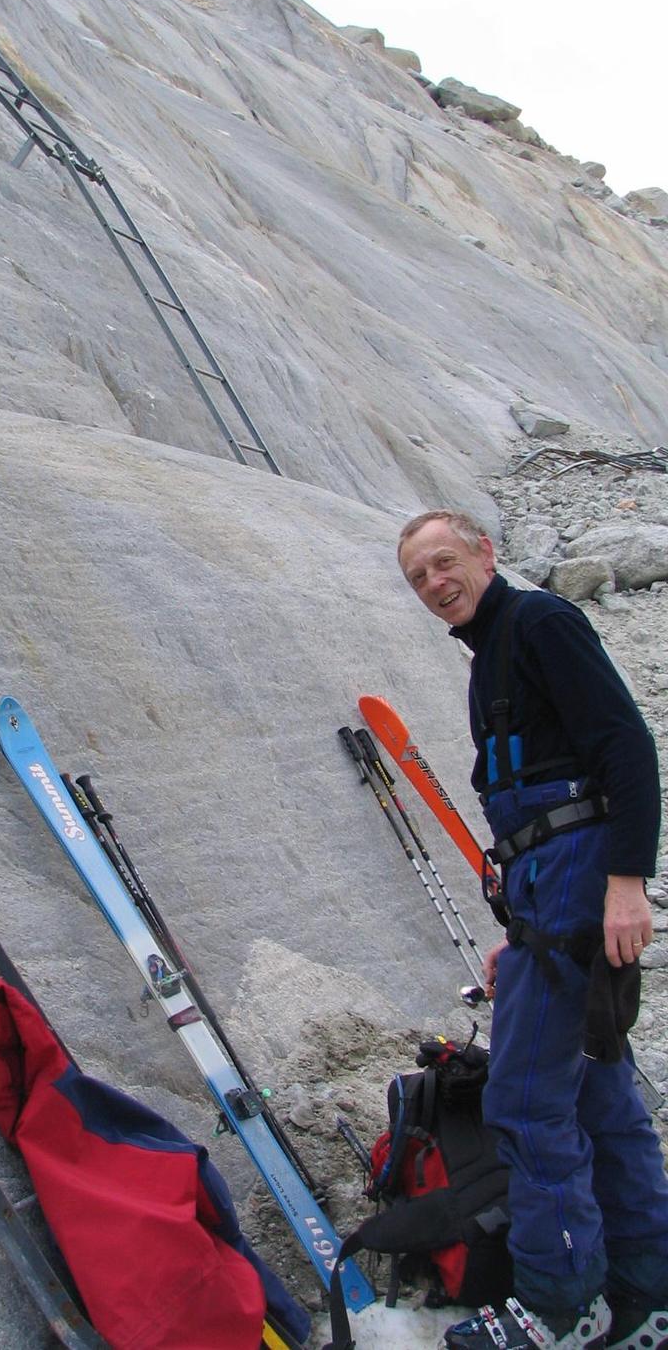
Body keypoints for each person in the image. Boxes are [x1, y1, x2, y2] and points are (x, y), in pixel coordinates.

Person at [396, 509, 668, 1350]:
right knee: (598, 1093)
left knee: (523, 1100)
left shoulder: (542, 620)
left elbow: (626, 748)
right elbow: (545, 797)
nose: (437, 583)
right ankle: (645, 1296)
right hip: (550, 889)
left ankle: (560, 1306)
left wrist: (627, 883)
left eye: (446, 561)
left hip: (582, 878)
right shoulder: (495, 648)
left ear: (486, 552)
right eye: (419, 577)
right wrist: (523, 927)